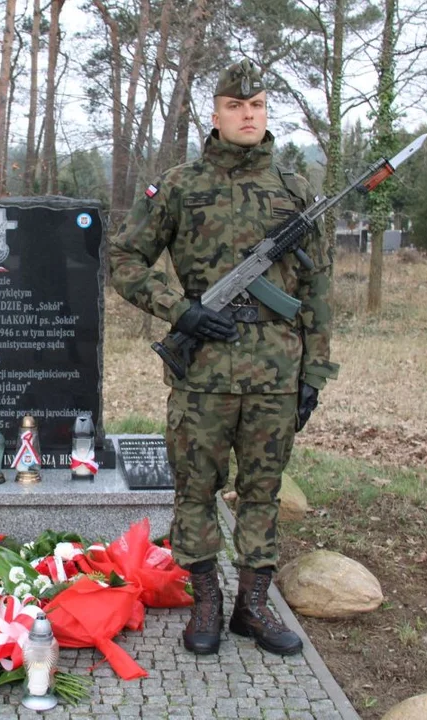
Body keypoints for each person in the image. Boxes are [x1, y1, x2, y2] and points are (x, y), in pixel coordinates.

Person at [109, 59, 338, 656]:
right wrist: (180, 310)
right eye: (236, 107)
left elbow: (317, 292)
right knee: (195, 490)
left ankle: (253, 608)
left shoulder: (294, 190)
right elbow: (125, 259)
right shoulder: (180, 185)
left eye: (257, 106)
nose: (247, 116)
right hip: (204, 373)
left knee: (263, 491)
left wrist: (314, 373)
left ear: (266, 113)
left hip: (276, 376)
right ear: (215, 115)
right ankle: (206, 603)